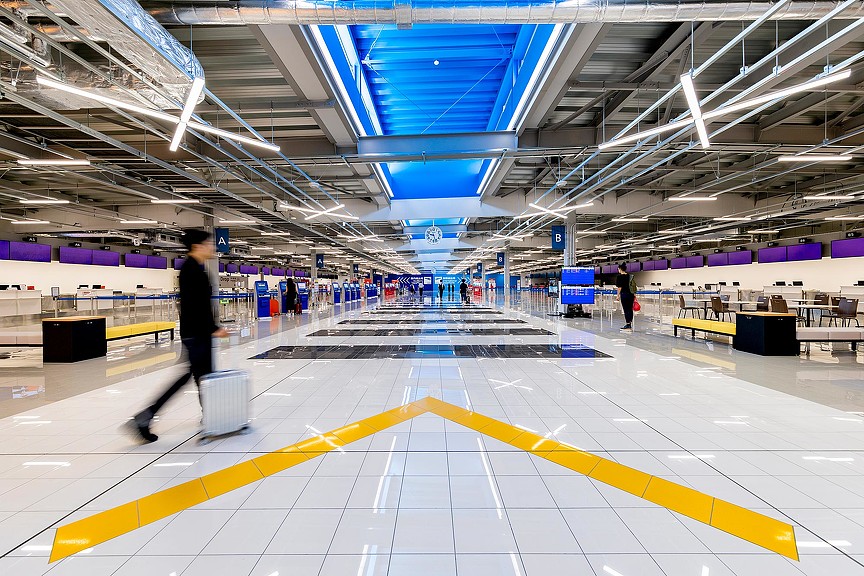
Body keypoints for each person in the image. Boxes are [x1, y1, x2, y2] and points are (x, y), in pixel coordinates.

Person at [130, 229, 228, 443]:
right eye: (209, 243)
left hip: (196, 333)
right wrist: (213, 328)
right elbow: (195, 307)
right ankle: (145, 417)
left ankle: (210, 417)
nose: (213, 247)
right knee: (198, 377)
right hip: (196, 334)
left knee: (202, 377)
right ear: (198, 246)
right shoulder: (191, 270)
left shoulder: (196, 268)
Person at [615, 263, 636, 331]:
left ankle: (628, 325)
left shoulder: (619, 277)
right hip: (631, 294)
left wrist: (618, 295)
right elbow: (633, 286)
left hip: (624, 294)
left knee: (626, 309)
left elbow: (619, 287)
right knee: (630, 309)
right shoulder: (630, 276)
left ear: (620, 269)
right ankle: (629, 323)